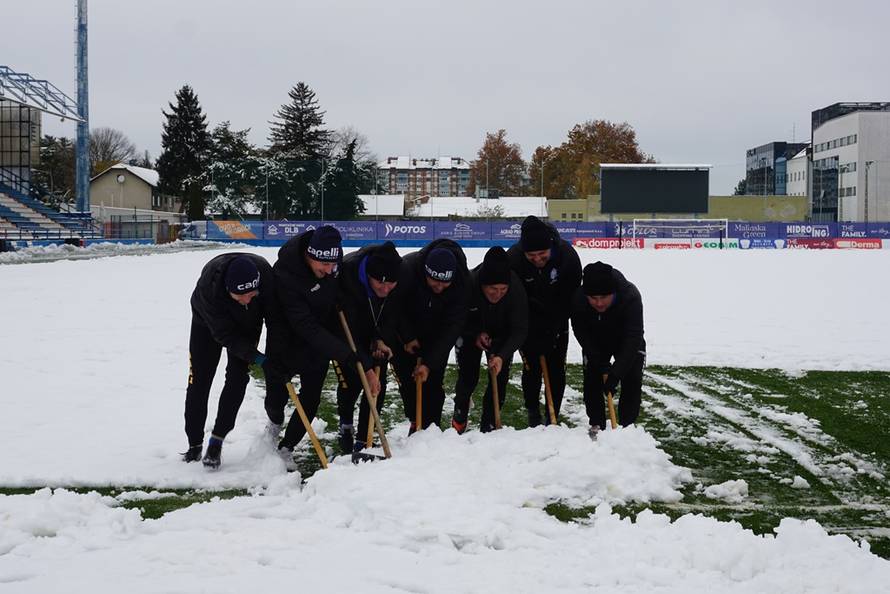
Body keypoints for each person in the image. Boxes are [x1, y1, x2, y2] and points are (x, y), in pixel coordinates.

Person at [264, 226, 379, 463]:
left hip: (318, 343)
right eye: (323, 265)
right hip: (286, 341)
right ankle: (274, 422)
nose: (328, 271)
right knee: (276, 399)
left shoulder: (332, 266)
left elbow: (335, 298)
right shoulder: (285, 274)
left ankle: (287, 446)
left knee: (311, 399)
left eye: (332, 265)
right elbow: (305, 326)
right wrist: (347, 355)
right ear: (310, 255)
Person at [183, 253, 277, 469]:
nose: (246, 299)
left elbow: (275, 318)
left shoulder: (266, 278)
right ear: (227, 289)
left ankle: (218, 438)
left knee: (237, 377)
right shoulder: (209, 291)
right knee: (199, 380)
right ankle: (194, 443)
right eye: (240, 295)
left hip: (248, 324)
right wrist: (258, 358)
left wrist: (274, 355)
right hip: (207, 324)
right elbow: (226, 336)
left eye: (252, 294)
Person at [507, 215, 582, 426]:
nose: (538, 259)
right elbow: (513, 298)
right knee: (531, 368)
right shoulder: (513, 259)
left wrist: (553, 328)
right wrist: (531, 326)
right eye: (532, 255)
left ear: (550, 246)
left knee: (556, 367)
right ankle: (533, 411)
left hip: (557, 317)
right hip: (528, 320)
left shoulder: (567, 257)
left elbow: (570, 298)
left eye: (542, 254)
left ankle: (552, 414)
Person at [391, 239, 469, 433]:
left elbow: (454, 326)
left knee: (433, 382)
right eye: (435, 283)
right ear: (426, 272)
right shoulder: (407, 268)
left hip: (438, 335)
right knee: (408, 382)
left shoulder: (462, 281)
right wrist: (407, 337)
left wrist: (429, 362)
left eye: (445, 284)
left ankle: (431, 428)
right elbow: (394, 307)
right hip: (405, 335)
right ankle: (415, 421)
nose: (440, 288)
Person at [333, 241, 402, 455]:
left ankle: (365, 439)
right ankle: (345, 424)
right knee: (351, 382)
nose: (385, 289)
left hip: (373, 333)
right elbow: (348, 330)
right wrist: (367, 368)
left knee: (377, 385)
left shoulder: (399, 278)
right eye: (380, 283)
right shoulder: (347, 275)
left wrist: (381, 339)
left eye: (391, 284)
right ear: (369, 276)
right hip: (345, 333)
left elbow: (392, 314)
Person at [453, 246, 528, 433]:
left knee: (499, 376)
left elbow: (520, 329)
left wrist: (502, 355)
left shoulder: (516, 290)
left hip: (502, 333)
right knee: (468, 376)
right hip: (471, 331)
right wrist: (475, 333)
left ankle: (489, 422)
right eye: (493, 289)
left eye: (503, 289)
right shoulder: (469, 283)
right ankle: (460, 416)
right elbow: (457, 320)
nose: (498, 293)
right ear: (483, 285)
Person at [571, 261, 646, 438]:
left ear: (613, 293)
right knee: (592, 377)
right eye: (593, 298)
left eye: (603, 298)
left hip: (627, 340)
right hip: (595, 340)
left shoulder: (630, 296)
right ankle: (596, 423)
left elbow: (634, 337)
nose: (598, 303)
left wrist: (616, 374)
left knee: (632, 377)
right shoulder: (579, 299)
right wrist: (596, 358)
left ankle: (627, 427)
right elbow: (579, 330)